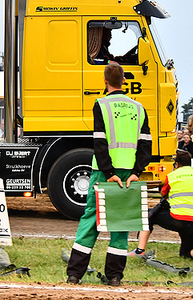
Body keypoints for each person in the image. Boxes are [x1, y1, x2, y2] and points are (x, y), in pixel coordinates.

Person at [66, 62, 152, 287]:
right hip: (127, 174)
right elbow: (145, 145)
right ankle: (114, 277)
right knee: (121, 223)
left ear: (104, 81)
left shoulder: (101, 105)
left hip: (104, 173)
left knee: (91, 220)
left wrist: (108, 172)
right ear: (124, 81)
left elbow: (99, 142)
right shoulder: (139, 107)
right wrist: (135, 172)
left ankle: (75, 274)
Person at [129, 150, 193, 264]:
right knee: (187, 253)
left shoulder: (172, 176)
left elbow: (164, 194)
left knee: (148, 216)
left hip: (179, 218)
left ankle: (139, 251)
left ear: (176, 164)